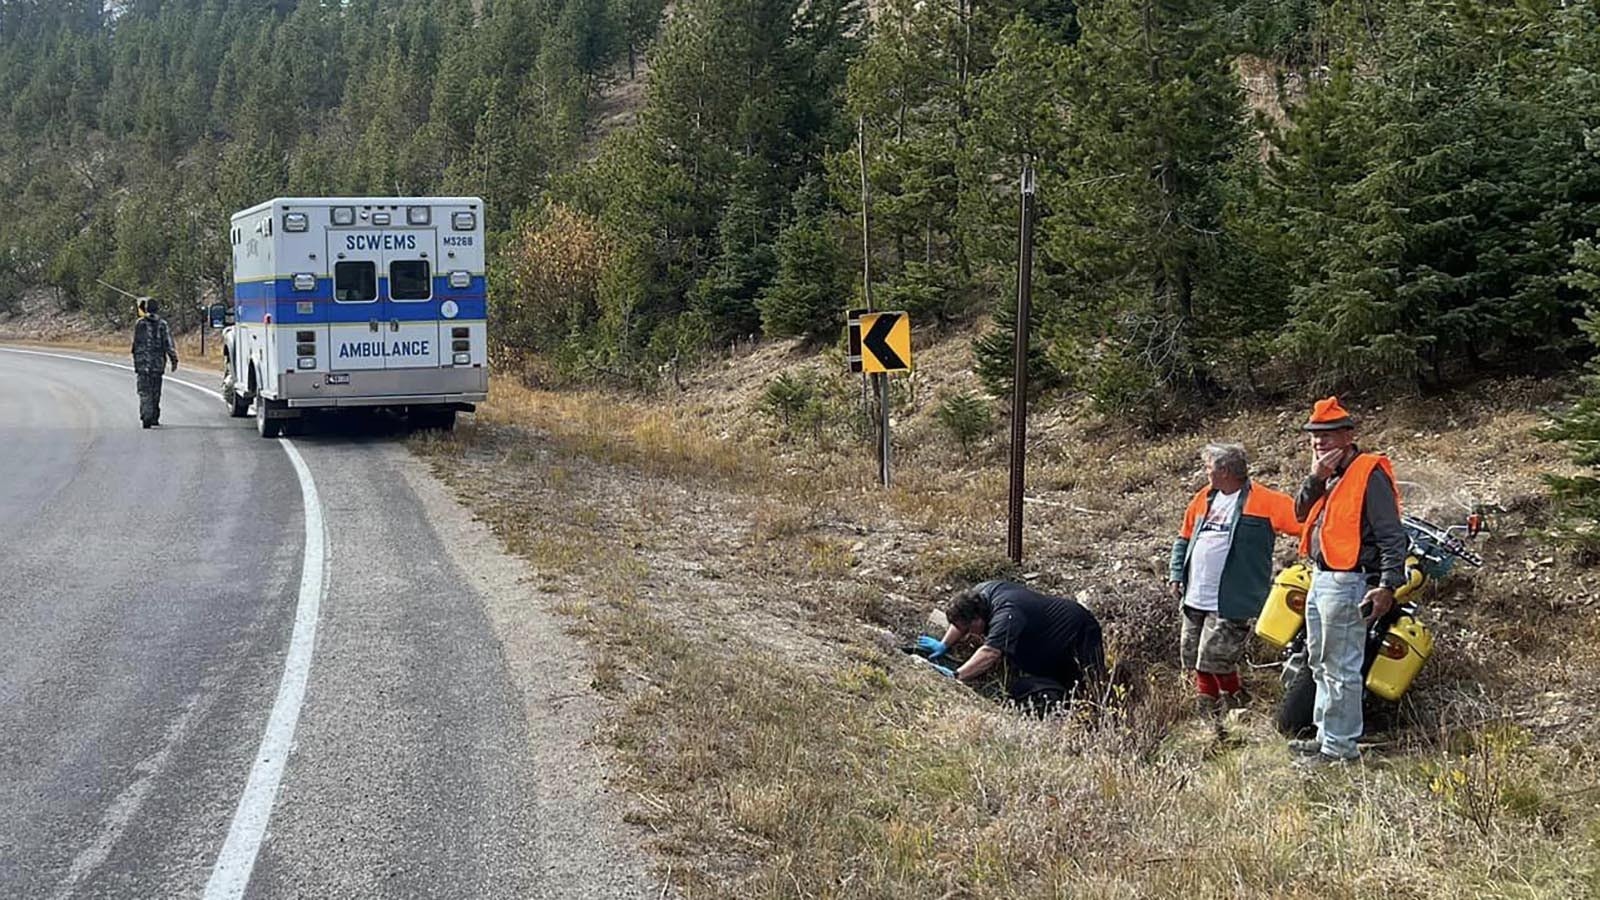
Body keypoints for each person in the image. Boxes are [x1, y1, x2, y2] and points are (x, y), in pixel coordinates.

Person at [1290, 397, 1408, 766]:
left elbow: (1392, 536)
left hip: (1350, 581)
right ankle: (1327, 736)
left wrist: (1387, 584)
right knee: (1322, 662)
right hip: (1323, 577)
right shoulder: (1330, 475)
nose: (1319, 443)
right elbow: (1299, 511)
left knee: (1341, 667)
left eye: (1326, 436)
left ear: (1347, 435)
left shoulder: (1368, 472)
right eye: (1314, 437)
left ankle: (1339, 748)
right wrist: (1316, 478)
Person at [1167, 443, 1300, 731]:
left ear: (1224, 471)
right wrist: (1177, 574)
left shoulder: (1266, 500)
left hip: (1233, 597)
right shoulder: (1203, 497)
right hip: (1195, 594)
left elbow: (1306, 524)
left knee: (1214, 657)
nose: (1205, 473)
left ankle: (1229, 705)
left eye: (1208, 467)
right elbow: (1184, 538)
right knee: (1193, 656)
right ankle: (1218, 713)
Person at [916, 580, 1106, 712]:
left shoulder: (1007, 615)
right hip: (1044, 637)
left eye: (969, 630)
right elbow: (961, 622)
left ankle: (1096, 715)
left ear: (978, 619)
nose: (968, 635)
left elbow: (990, 653)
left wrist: (957, 676)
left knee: (1088, 684)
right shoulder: (979, 596)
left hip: (1077, 631)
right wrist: (944, 644)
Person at [131, 297, 179, 428]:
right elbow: (168, 344)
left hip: (142, 364)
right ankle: (153, 417)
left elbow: (135, 344)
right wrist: (174, 360)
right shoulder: (162, 324)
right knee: (155, 391)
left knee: (144, 391)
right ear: (157, 309)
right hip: (157, 364)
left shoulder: (139, 323)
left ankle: (146, 415)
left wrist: (136, 359)